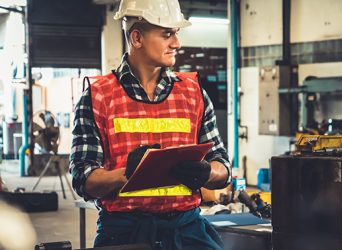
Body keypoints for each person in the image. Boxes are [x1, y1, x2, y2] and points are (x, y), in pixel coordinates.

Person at [69, 0, 231, 249]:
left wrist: (208, 172)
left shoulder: (193, 93)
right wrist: (126, 174)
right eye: (167, 34)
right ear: (137, 38)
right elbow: (83, 178)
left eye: (176, 34)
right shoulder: (98, 96)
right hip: (124, 232)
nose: (177, 43)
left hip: (187, 229)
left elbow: (221, 162)